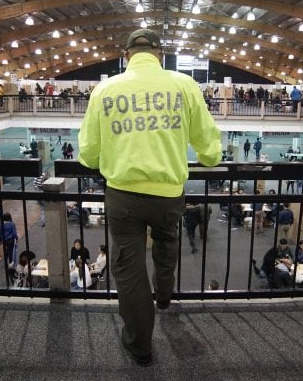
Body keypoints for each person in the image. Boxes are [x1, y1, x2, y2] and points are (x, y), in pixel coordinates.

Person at [77, 28, 222, 367]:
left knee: (128, 268)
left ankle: (140, 345)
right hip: (169, 194)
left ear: (126, 55)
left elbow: (88, 153)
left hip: (123, 196)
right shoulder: (184, 85)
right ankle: (165, 296)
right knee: (166, 241)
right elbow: (209, 144)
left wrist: (101, 159)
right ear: (161, 54)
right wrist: (210, 157)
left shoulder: (105, 89)